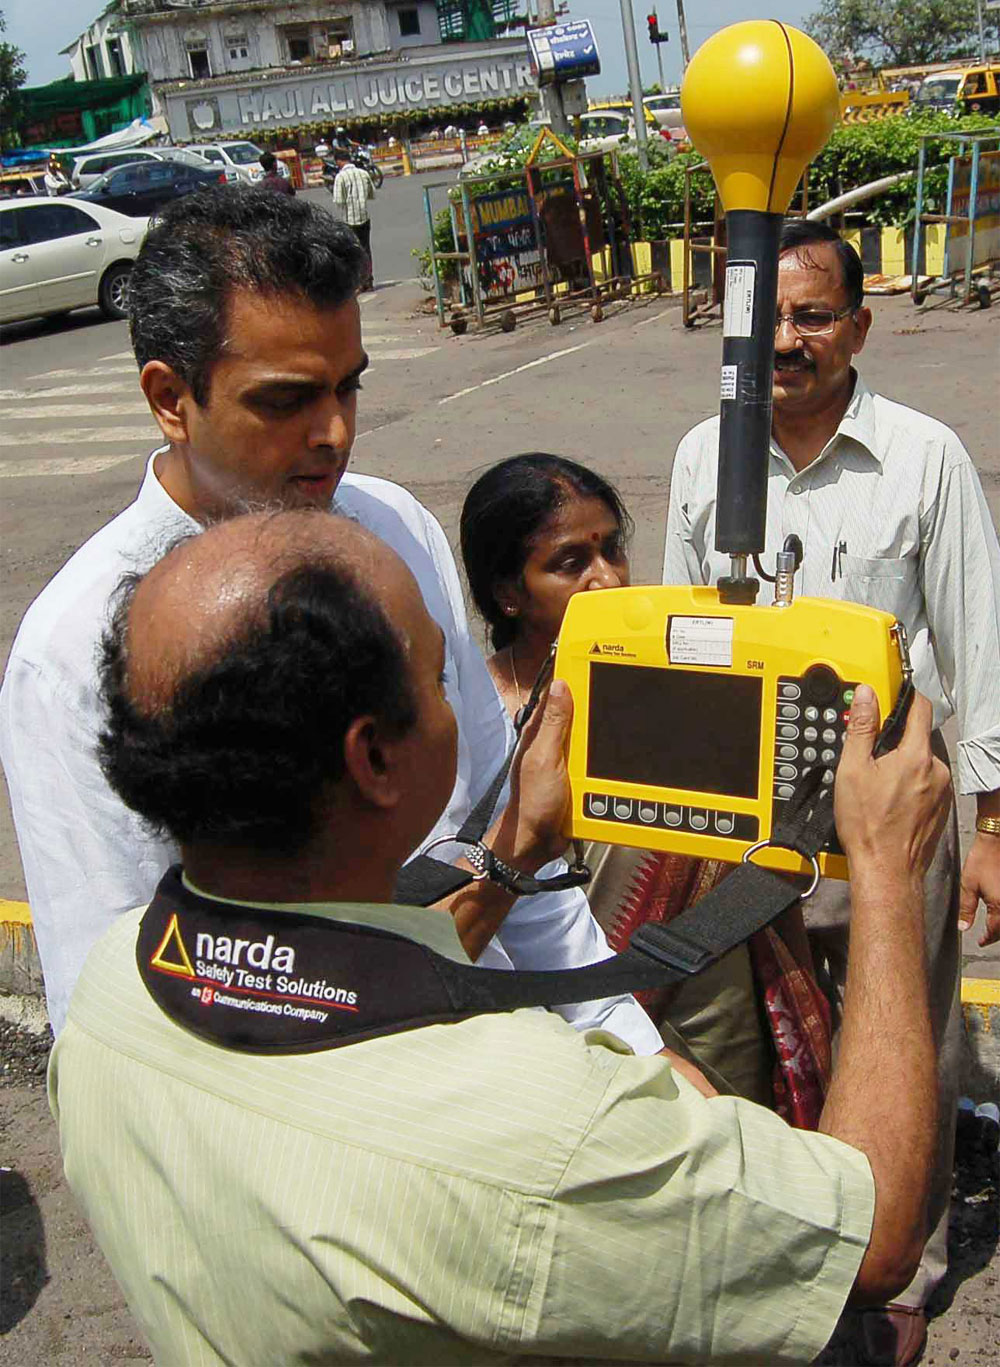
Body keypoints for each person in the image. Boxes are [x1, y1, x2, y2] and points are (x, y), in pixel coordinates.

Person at [50, 505, 951, 1365]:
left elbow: (344, 992)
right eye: (443, 679)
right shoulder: (544, 1125)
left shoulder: (112, 992)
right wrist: (885, 869)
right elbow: (870, 1240)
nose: (465, 702)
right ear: (374, 758)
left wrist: (516, 848)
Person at [0, 186, 659, 1061]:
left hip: (513, 1047)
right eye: (286, 400)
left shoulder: (393, 530)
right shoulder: (76, 654)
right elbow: (119, 1011)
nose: (336, 432)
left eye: (348, 387)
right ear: (170, 396)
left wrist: (624, 1034)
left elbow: (511, 834)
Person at [662, 216, 1000, 1366]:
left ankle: (900, 1257)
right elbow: (676, 636)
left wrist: (991, 828)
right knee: (765, 1026)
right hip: (749, 811)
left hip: (890, 813)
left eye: (812, 318)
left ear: (859, 325)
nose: (785, 343)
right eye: (764, 319)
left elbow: (982, 645)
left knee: (904, 1023)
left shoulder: (923, 457)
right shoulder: (702, 457)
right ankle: (794, 1245)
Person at [460, 452, 830, 1115]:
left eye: (612, 550)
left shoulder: (670, 680)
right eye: (571, 563)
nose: (607, 578)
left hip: (705, 990)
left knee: (727, 1134)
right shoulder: (477, 718)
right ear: (508, 591)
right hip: (560, 1020)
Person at [331, 150, 375, 290]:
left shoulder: (340, 177)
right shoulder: (363, 173)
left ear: (338, 161)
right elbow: (371, 194)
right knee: (366, 248)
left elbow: (338, 200)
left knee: (352, 250)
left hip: (349, 218)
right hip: (364, 216)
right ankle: (369, 279)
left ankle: (358, 281)